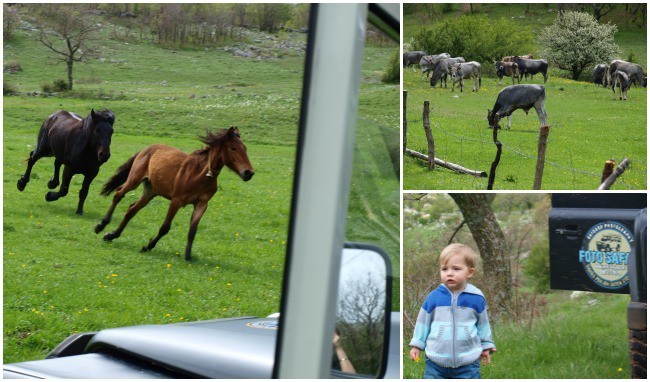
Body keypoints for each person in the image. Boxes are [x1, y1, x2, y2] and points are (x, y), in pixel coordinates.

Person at [409, 243, 496, 379]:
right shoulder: (434, 297)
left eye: (456, 269)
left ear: (470, 272)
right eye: (444, 269)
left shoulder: (476, 298)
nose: (449, 273)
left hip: (468, 363)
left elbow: (483, 324)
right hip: (436, 363)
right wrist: (417, 344)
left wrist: (486, 345)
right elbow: (422, 322)